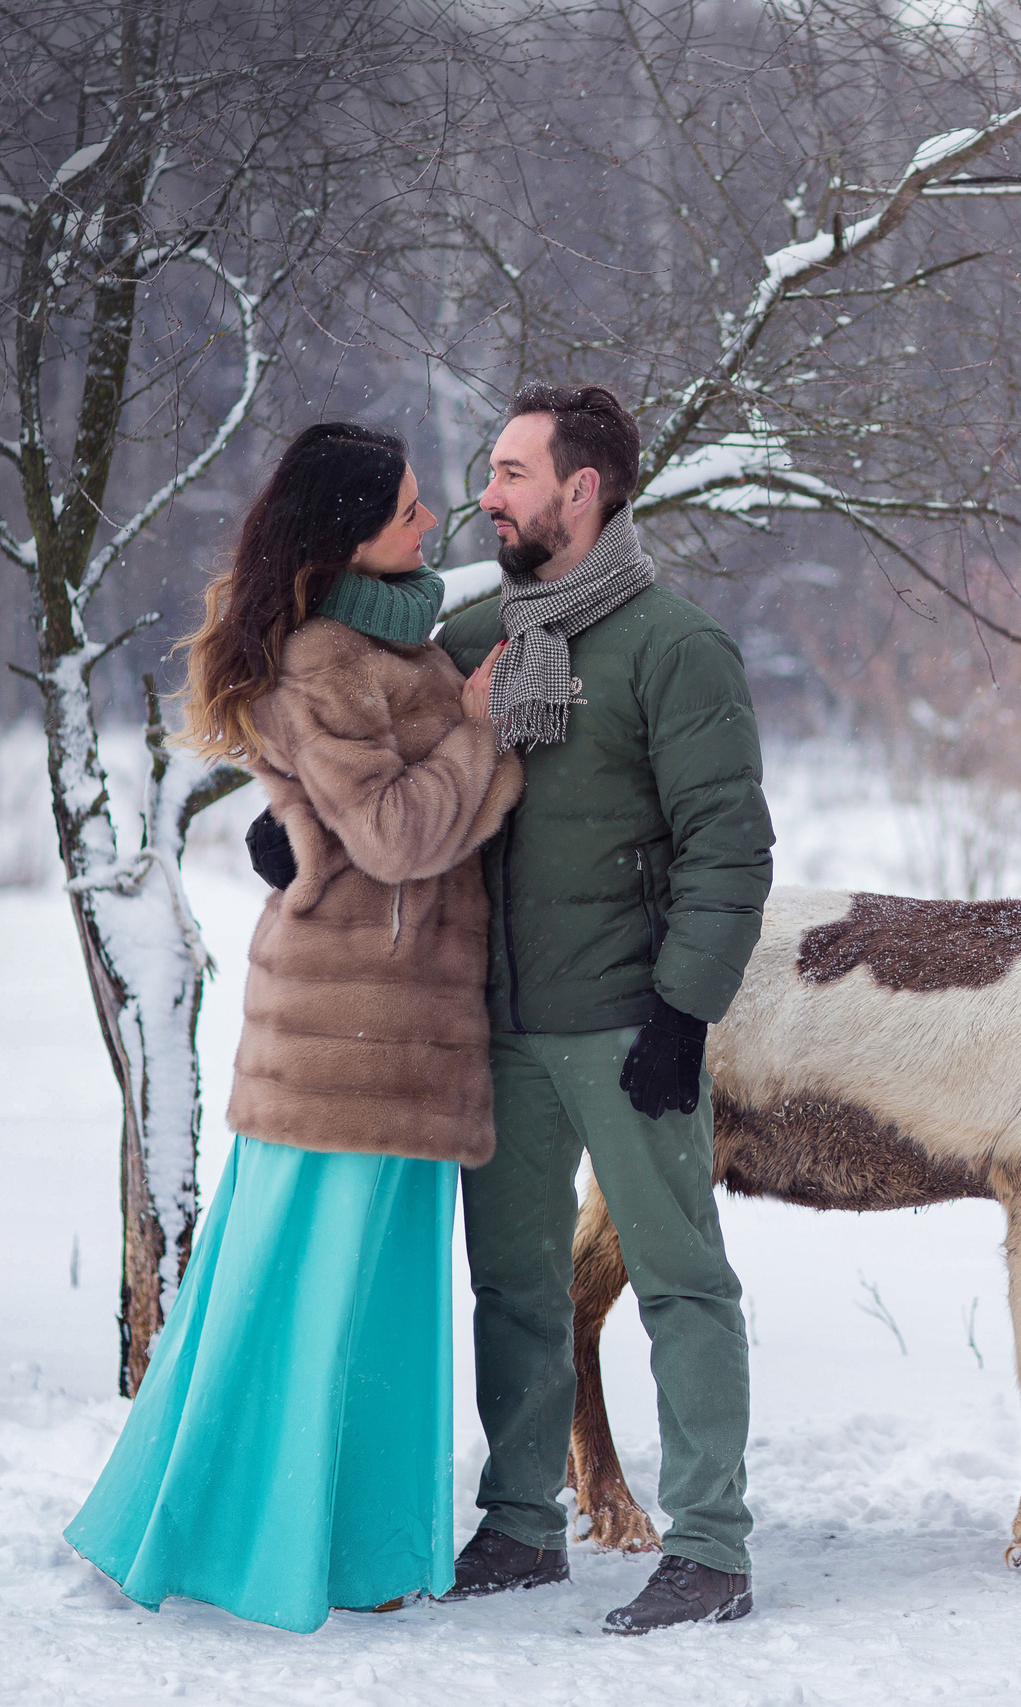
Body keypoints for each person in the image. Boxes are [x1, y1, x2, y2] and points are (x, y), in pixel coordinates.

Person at [65, 423, 523, 1631]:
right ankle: (239, 1543)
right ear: (349, 529)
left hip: (405, 1030)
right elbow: (400, 839)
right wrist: (483, 728)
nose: (435, 524)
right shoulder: (325, 659)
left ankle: (356, 1548)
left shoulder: (387, 633)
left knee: (367, 1308)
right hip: (347, 1029)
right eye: (412, 509)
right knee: (293, 1301)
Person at [435, 384, 774, 1633]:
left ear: (583, 490)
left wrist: (683, 1017)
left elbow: (729, 851)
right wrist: (294, 822)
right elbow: (375, 741)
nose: (489, 492)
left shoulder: (672, 646)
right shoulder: (475, 632)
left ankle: (709, 1550)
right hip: (500, 1022)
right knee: (513, 1284)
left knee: (681, 1280)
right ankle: (523, 1524)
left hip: (629, 1020)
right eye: (491, 470)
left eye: (514, 473)